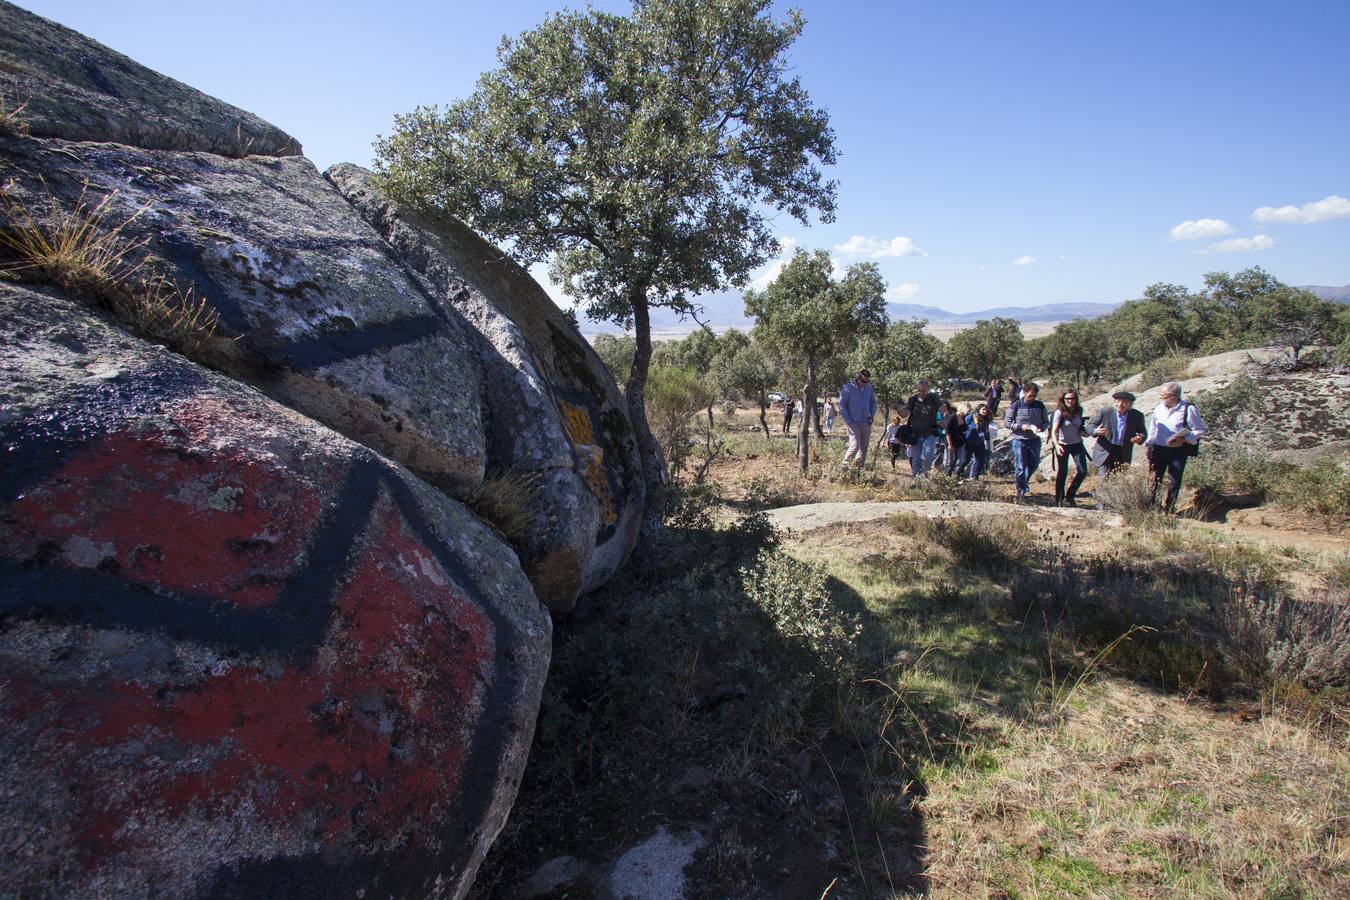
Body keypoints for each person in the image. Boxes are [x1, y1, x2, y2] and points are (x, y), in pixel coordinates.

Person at [1145, 381, 1205, 513]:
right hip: (1158, 449)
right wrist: (1149, 445)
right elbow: (1153, 428)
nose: (1161, 398)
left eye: (1163, 395)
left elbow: (1199, 430)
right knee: (1154, 479)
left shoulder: (1188, 409)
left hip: (1178, 451)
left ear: (1174, 396)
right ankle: (1151, 506)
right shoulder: (1158, 408)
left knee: (1174, 481)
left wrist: (1184, 440)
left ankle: (1169, 508)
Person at [1003, 380, 1047, 501]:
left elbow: (1046, 421)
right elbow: (1007, 423)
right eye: (1029, 396)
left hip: (1035, 439)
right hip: (1019, 440)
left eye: (1034, 396)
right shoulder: (1016, 405)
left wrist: (1041, 428)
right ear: (1024, 393)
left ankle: (1023, 482)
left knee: (1034, 463)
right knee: (1020, 466)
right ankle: (1020, 490)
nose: (1032, 398)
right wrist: (1020, 427)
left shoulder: (1040, 405)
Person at [1087, 391, 1147, 475]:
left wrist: (1140, 438)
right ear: (1114, 402)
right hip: (1106, 451)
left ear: (1130, 404)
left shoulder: (1137, 416)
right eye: (1118, 401)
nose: (1120, 404)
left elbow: (1143, 432)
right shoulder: (1105, 412)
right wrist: (1096, 431)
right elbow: (1090, 426)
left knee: (1118, 480)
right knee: (1103, 478)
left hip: (1123, 453)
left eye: (1124, 402)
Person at [1050, 389, 1088, 506]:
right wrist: (1056, 445)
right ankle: (1059, 499)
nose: (1070, 401)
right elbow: (1054, 431)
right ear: (1063, 400)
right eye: (1068, 399)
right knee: (1063, 472)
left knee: (1082, 471)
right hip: (1062, 445)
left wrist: (1084, 432)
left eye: (1073, 398)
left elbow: (1080, 426)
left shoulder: (1079, 411)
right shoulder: (1059, 412)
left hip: (1077, 444)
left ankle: (1070, 495)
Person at [839, 369, 876, 471]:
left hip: (866, 423)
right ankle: (844, 467)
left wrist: (872, 414)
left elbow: (873, 402)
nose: (865, 384)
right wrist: (849, 421)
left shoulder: (869, 388)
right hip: (853, 423)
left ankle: (859, 472)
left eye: (867, 381)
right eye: (863, 381)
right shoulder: (848, 388)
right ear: (858, 377)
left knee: (863, 450)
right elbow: (841, 405)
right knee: (855, 446)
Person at [906, 379, 941, 476]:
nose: (922, 393)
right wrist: (898, 408)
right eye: (919, 390)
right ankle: (916, 480)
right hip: (916, 434)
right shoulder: (913, 400)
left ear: (927, 389)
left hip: (930, 433)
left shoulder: (933, 398)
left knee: (927, 456)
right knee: (916, 459)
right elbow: (905, 413)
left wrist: (946, 417)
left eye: (924, 390)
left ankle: (924, 476)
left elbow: (943, 409)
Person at [961, 403, 995, 479]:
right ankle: (957, 475)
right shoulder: (971, 417)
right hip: (968, 442)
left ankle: (974, 477)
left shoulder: (986, 419)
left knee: (980, 460)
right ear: (978, 410)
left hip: (979, 443)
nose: (985, 411)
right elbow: (962, 426)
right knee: (965, 460)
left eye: (986, 409)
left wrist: (988, 443)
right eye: (983, 409)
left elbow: (986, 432)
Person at [943, 401, 967, 476]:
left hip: (959, 442)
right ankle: (947, 475)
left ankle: (955, 475)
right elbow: (947, 431)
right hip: (951, 441)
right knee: (950, 460)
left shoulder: (964, 417)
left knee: (960, 459)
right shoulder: (953, 417)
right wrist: (950, 444)